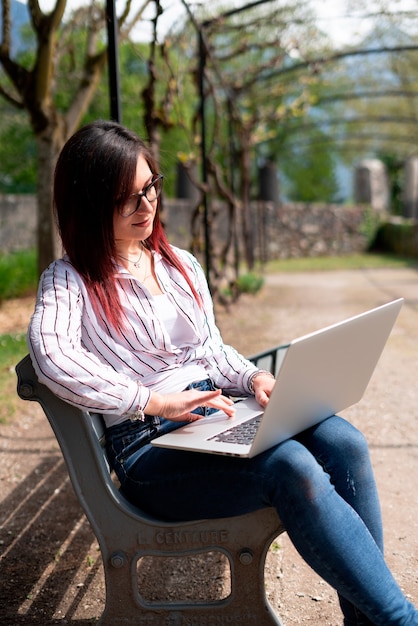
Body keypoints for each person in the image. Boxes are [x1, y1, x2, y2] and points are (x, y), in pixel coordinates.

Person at [28, 120, 417, 626]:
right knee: (290, 467)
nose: (146, 206)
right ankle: (400, 620)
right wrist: (151, 401)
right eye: (127, 198)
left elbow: (211, 351)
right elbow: (50, 357)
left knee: (345, 442)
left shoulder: (179, 265)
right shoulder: (70, 280)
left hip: (214, 417)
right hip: (150, 452)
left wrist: (252, 379)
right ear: (88, 203)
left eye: (150, 188)